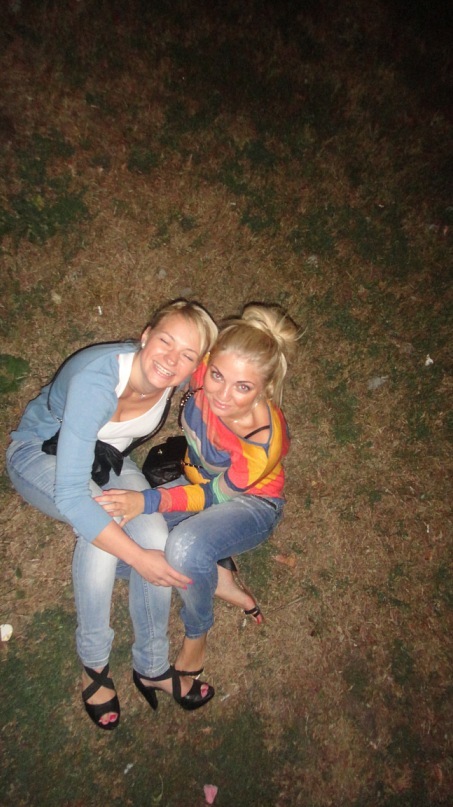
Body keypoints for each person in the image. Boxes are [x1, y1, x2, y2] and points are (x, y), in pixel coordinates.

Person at [6, 299, 218, 730]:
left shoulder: (180, 375)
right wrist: (138, 560)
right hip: (42, 454)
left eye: (187, 355)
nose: (171, 360)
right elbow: (73, 497)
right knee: (104, 529)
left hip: (109, 461)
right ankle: (94, 663)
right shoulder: (97, 381)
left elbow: (232, 372)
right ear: (145, 335)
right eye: (165, 341)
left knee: (155, 534)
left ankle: (152, 666)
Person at [96, 303, 299, 679]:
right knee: (119, 555)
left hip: (252, 503)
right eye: (218, 375)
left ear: (265, 389)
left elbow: (213, 496)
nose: (221, 395)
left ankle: (197, 632)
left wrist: (147, 501)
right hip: (196, 479)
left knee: (183, 549)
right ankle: (215, 574)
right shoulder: (202, 370)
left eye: (243, 387)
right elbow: (154, 366)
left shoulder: (262, 443)